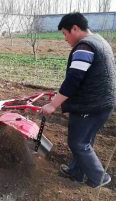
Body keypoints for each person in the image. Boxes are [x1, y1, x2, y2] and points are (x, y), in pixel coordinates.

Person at [41, 12, 116, 188]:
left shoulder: (85, 47)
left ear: (75, 28)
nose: (65, 39)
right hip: (103, 102)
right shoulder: (99, 41)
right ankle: (76, 172)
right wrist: (59, 95)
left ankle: (99, 178)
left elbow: (74, 79)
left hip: (91, 105)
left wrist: (53, 104)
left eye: (65, 34)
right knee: (84, 140)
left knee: (78, 142)